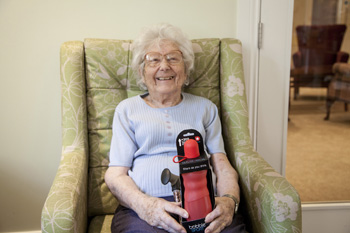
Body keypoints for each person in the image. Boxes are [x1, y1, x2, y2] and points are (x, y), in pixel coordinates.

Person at [105, 23, 246, 233]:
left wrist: (228, 202)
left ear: (186, 69)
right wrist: (145, 205)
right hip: (143, 208)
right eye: (154, 59)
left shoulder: (205, 108)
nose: (164, 66)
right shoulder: (127, 110)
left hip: (205, 204)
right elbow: (116, 174)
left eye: (173, 58)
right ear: (142, 73)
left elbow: (222, 165)